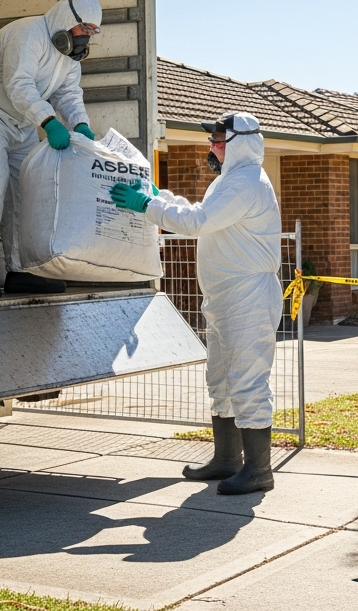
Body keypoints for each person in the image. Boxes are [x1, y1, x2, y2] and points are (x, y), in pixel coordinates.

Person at [109, 112, 282, 495]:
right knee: (220, 382)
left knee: (248, 382)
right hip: (225, 296)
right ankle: (226, 460)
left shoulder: (247, 183)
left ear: (240, 143)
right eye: (212, 141)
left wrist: (146, 205)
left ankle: (259, 471)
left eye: (219, 140)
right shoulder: (230, 181)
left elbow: (196, 222)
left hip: (248, 297)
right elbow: (196, 213)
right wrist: (158, 196)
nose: (212, 146)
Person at [0, 0, 102, 298]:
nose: (86, 36)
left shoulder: (69, 57)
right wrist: (48, 122)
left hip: (21, 119)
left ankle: (21, 272)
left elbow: (68, 94)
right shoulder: (27, 33)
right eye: (83, 28)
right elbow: (18, 83)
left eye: (92, 31)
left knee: (26, 192)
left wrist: (80, 123)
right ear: (65, 20)